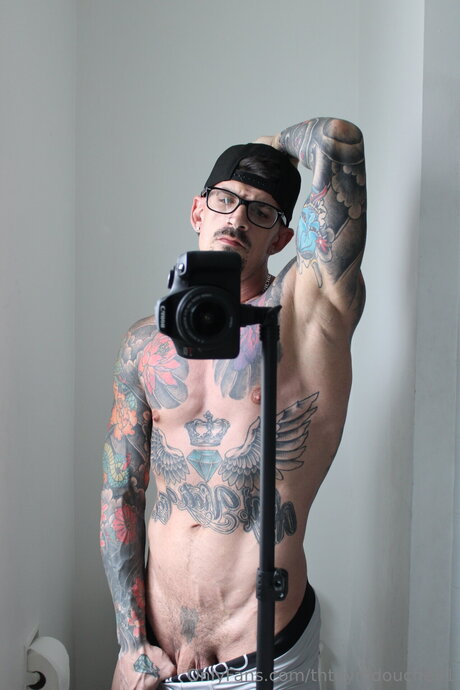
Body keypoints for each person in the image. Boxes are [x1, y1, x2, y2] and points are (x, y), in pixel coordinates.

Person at [100, 117, 366, 689]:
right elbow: (121, 493)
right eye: (225, 199)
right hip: (154, 656)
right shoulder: (145, 346)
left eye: (262, 211)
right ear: (198, 211)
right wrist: (130, 642)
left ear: (283, 239)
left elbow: (337, 141)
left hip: (261, 655)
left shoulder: (303, 320)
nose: (239, 218)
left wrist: (272, 144)